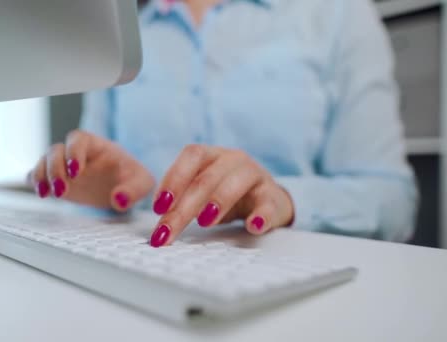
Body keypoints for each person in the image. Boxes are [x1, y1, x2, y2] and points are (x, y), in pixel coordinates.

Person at [30, 0, 418, 247]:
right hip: (142, 266)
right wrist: (106, 194)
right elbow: (97, 191)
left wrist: (283, 197)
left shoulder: (339, 14)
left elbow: (393, 201)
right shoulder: (117, 38)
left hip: (290, 277)